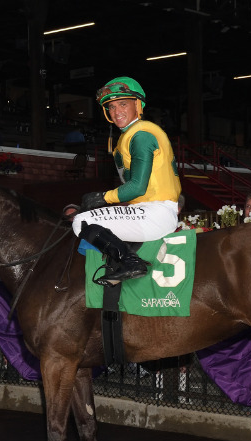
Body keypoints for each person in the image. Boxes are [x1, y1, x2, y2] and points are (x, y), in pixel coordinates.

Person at [75, 77, 181, 286]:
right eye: (111, 107)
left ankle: (131, 262)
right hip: (147, 210)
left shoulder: (141, 134)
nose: (116, 112)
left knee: (81, 222)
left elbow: (138, 186)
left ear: (137, 105)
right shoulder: (130, 135)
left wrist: (103, 197)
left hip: (155, 212)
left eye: (123, 104)